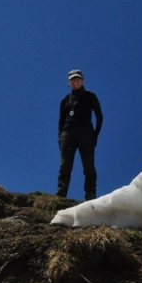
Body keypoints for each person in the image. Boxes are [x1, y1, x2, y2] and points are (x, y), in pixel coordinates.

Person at [56, 69, 103, 201]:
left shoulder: (90, 96)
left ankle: (90, 194)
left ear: (82, 80)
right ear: (69, 82)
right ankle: (60, 195)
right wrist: (60, 137)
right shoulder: (65, 100)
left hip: (86, 132)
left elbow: (99, 116)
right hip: (68, 133)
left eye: (77, 78)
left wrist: (95, 134)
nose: (75, 81)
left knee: (88, 165)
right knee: (65, 165)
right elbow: (61, 121)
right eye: (72, 79)